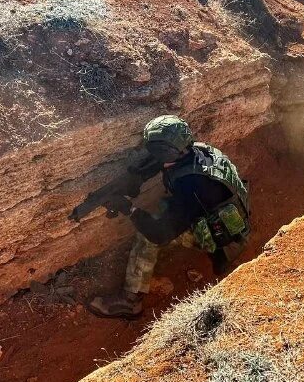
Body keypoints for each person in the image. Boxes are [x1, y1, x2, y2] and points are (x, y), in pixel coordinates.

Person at [86, 115, 251, 319]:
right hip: (237, 218)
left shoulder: (191, 185)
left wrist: (128, 208)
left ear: (165, 152)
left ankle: (130, 301)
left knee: (146, 236)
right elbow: (166, 166)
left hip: (226, 243)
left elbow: (158, 235)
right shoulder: (199, 150)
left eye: (153, 150)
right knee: (164, 207)